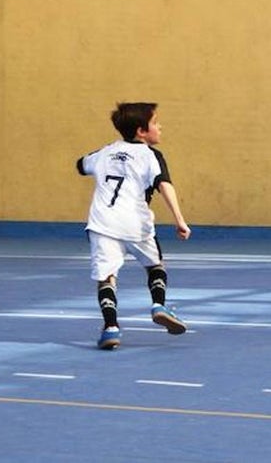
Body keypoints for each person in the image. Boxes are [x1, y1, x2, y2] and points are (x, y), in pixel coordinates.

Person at [77, 102, 191, 350]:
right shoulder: (151, 155)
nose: (160, 126)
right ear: (141, 131)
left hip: (102, 223)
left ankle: (111, 328)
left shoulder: (105, 152)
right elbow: (164, 186)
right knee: (155, 265)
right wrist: (180, 220)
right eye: (155, 122)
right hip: (134, 223)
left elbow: (80, 164)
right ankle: (158, 305)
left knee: (107, 277)